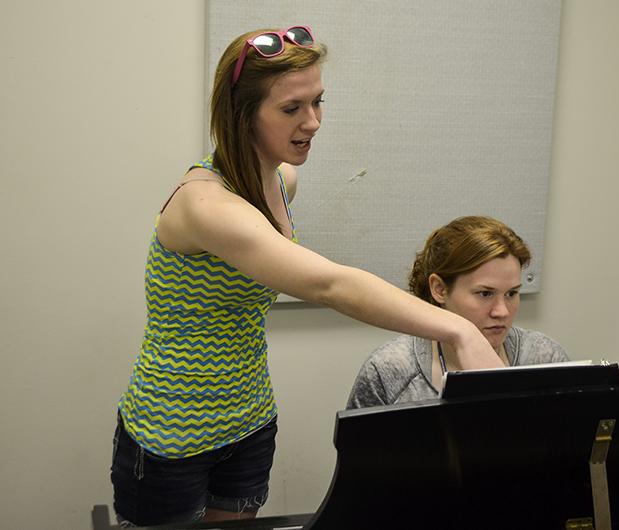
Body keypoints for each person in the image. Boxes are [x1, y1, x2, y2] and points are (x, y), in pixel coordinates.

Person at [110, 26, 504, 527]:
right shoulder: (205, 206)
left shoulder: (280, 180)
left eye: (318, 103)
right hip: (172, 433)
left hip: (249, 418)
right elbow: (329, 284)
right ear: (241, 114)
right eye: (292, 109)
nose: (313, 122)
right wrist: (457, 327)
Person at [346, 215, 570, 409]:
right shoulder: (390, 371)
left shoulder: (545, 360)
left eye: (511, 294)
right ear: (440, 289)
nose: (502, 311)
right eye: (485, 294)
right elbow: (357, 458)